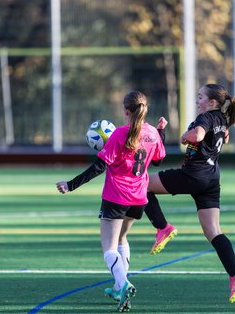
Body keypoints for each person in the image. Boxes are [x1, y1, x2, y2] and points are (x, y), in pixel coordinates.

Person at [56, 91, 166, 312]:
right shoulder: (153, 132)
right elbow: (157, 160)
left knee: (108, 248)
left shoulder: (120, 134)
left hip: (116, 197)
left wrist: (70, 184)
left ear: (126, 111)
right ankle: (118, 287)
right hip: (139, 198)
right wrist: (162, 132)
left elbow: (99, 166)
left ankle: (123, 283)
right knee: (122, 239)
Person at [147, 83, 235, 304]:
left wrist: (186, 135)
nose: (197, 101)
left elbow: (197, 135)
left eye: (200, 97)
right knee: (213, 231)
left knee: (141, 184)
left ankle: (162, 227)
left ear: (213, 102)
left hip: (193, 176)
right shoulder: (222, 120)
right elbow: (221, 135)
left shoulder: (206, 118)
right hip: (211, 180)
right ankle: (234, 275)